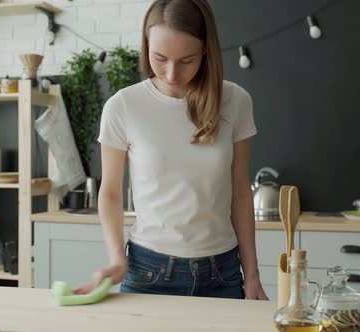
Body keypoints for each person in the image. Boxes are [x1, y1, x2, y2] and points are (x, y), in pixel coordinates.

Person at [74, 0, 268, 300]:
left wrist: (252, 275)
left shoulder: (236, 101)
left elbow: (241, 192)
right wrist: (116, 259)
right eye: (160, 58)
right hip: (149, 271)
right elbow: (110, 192)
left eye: (187, 60)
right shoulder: (123, 106)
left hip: (223, 273)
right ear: (146, 45)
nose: (172, 74)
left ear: (206, 50)